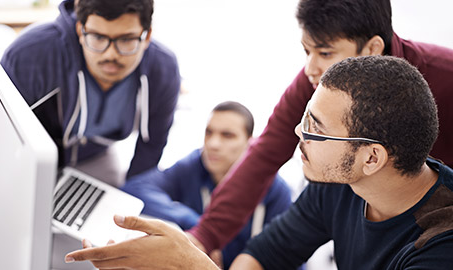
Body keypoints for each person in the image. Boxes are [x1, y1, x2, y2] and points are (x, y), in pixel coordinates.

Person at [64, 56, 453, 269]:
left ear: (371, 157)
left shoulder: (440, 247)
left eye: (315, 129)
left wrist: (192, 265)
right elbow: (266, 255)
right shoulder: (338, 188)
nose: (298, 135)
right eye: (303, 119)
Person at [186, 0, 453, 253]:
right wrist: (203, 237)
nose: (310, 68)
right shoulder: (318, 82)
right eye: (307, 51)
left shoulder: (446, 78)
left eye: (325, 52)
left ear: (372, 48)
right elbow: (266, 152)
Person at [0, 0, 181, 187]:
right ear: (80, 30)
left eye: (126, 40)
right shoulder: (30, 54)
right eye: (98, 37)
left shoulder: (164, 69)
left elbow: (152, 146)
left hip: (97, 156)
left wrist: (131, 191)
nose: (111, 54)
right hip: (34, 162)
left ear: (147, 35)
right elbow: (2, 138)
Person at [121, 101, 292, 269]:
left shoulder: (276, 190)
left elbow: (290, 257)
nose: (213, 144)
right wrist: (198, 225)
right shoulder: (196, 164)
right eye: (209, 133)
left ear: (251, 142)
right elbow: (136, 188)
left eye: (227, 135)